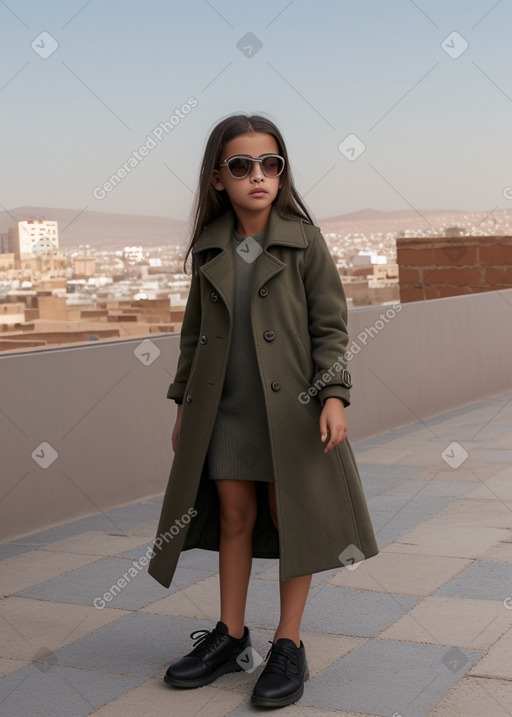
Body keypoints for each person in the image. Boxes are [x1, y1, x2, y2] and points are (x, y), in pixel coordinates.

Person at [148, 113, 378, 708]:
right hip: (223, 409)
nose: (259, 176)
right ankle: (228, 637)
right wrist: (182, 404)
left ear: (282, 173)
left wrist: (333, 395)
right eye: (242, 165)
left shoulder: (305, 241)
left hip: (293, 411)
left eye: (270, 164)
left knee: (291, 515)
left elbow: (330, 327)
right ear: (218, 177)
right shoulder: (209, 247)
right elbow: (194, 333)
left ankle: (288, 642)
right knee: (233, 517)